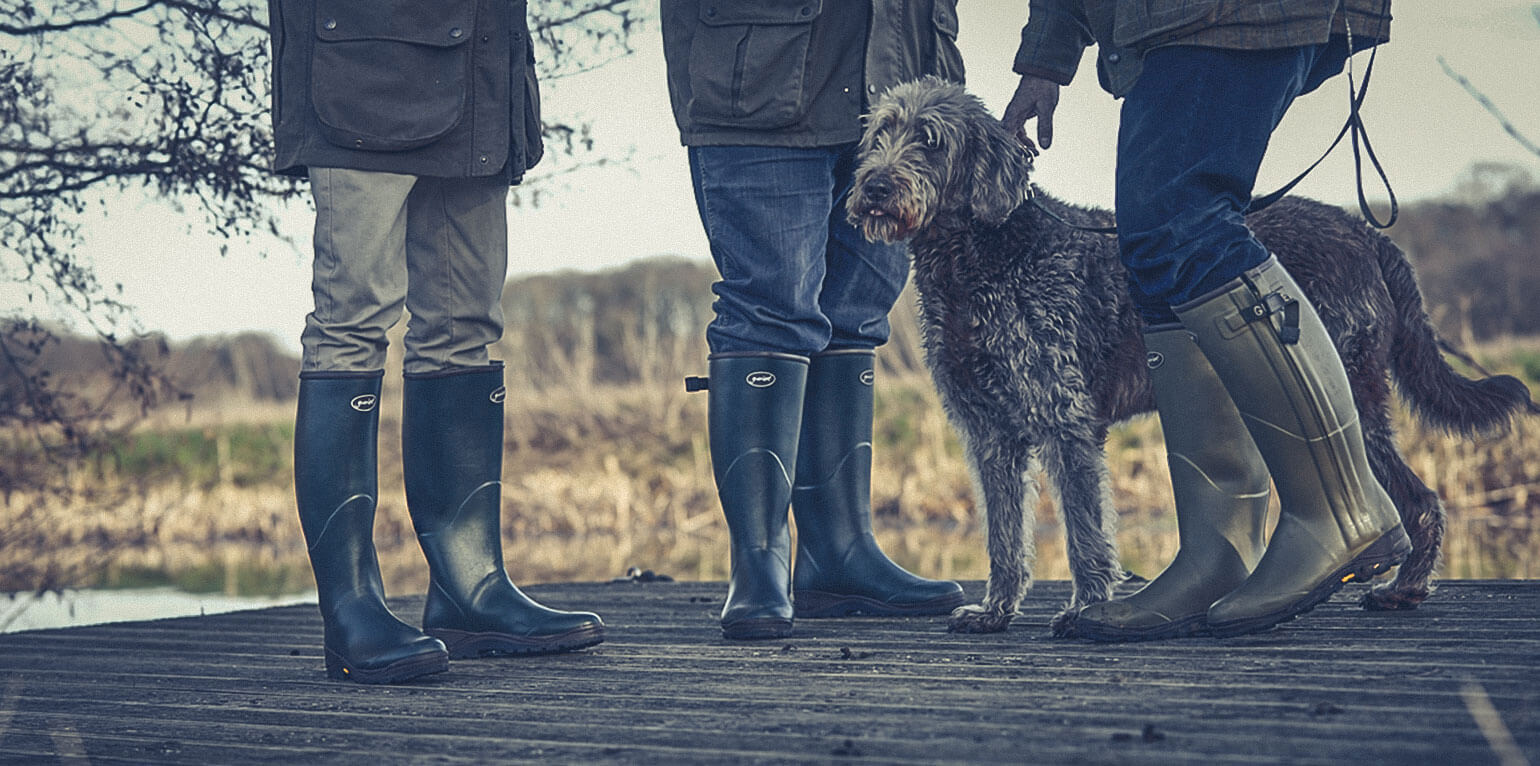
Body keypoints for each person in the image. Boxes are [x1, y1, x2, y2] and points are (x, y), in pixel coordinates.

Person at [1004, 0, 1409, 641]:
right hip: (1169, 22)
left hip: (1217, 14)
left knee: (1183, 225)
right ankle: (1216, 556)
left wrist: (1048, 56)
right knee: (1158, 247)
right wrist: (1045, 60)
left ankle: (1339, 508)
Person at [268, 0, 604, 683]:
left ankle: (469, 590)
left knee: (466, 328)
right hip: (363, 69)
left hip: (479, 77)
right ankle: (352, 610)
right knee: (352, 324)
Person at [661, 1, 970, 640]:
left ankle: (841, 555)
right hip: (759, 78)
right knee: (769, 311)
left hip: (901, 82)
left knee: (857, 316)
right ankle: (758, 566)